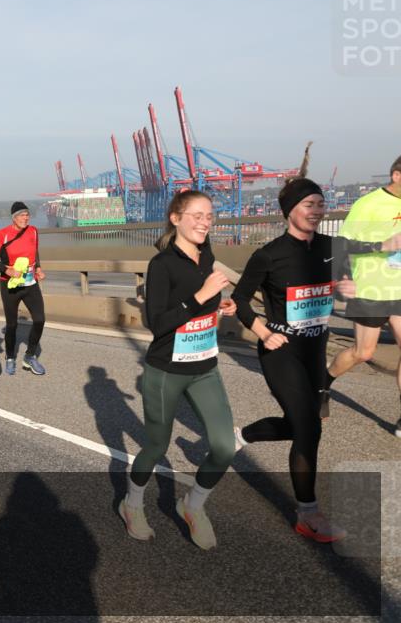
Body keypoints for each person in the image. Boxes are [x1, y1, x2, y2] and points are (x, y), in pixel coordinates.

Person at [230, 172, 381, 543]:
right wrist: (265, 333)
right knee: (309, 429)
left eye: (320, 204)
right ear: (289, 211)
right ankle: (307, 514)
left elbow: (370, 247)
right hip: (281, 352)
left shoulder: (331, 245)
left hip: (315, 352)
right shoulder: (268, 255)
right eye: (308, 205)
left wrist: (346, 281)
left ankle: (239, 435)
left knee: (303, 425)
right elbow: (239, 302)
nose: (316, 211)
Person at [120, 191, 238, 550]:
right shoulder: (162, 264)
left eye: (209, 216)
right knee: (156, 445)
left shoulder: (207, 256)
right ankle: (132, 504)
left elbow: (204, 304)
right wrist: (201, 297)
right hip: (167, 369)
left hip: (204, 366)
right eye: (197, 215)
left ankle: (192, 505)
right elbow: (158, 322)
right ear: (176, 218)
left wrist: (221, 306)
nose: (205, 222)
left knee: (224, 447)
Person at [323, 155, 401, 436]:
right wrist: (381, 245)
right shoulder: (368, 205)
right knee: (363, 352)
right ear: (396, 176)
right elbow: (340, 245)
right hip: (371, 287)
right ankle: (323, 382)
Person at [0, 202, 47, 376]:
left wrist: (38, 268)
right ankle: (10, 357)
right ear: (14, 217)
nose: (26, 218)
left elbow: (35, 251)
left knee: (39, 320)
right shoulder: (3, 234)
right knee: (12, 324)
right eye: (22, 215)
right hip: (10, 285)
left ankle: (29, 357)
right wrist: (7, 270)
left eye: (27, 214)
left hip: (30, 283)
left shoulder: (34, 231)